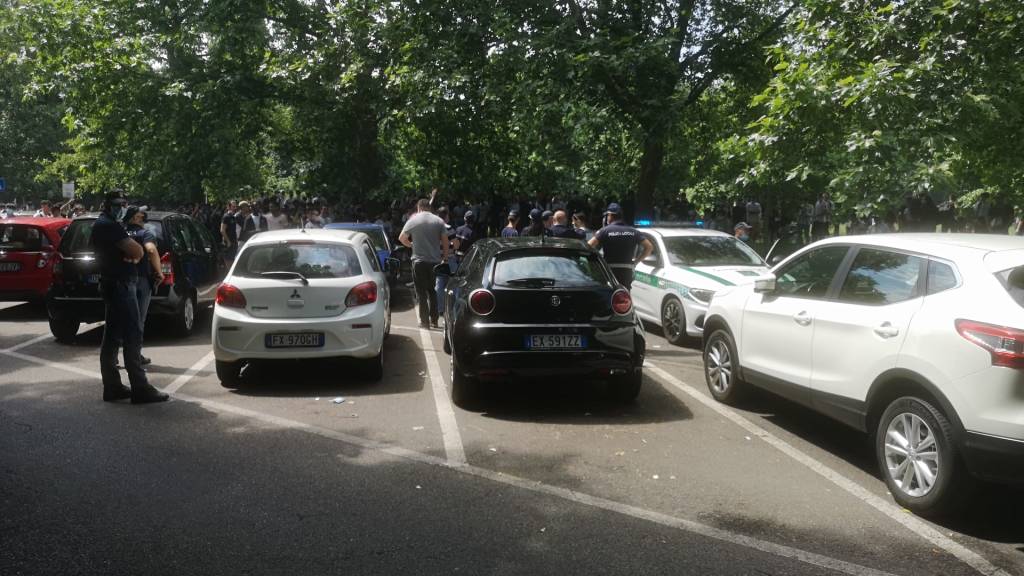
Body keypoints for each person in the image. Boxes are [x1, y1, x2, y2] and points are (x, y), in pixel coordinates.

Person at [90, 192, 168, 404]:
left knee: (113, 336)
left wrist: (135, 254)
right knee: (133, 333)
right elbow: (138, 250)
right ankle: (140, 387)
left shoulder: (105, 224)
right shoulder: (109, 225)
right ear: (107, 205)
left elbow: (135, 251)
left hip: (114, 282)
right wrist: (136, 254)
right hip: (120, 284)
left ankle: (113, 386)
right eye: (118, 204)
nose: (122, 207)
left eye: (124, 204)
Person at [399, 198, 449, 328]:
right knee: (432, 290)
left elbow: (402, 238)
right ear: (429, 208)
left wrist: (411, 245)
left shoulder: (413, 220)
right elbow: (445, 241)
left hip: (418, 261)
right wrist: (445, 258)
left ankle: (424, 322)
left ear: (419, 208)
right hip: (434, 262)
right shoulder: (439, 221)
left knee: (421, 292)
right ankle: (434, 319)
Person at [123, 206, 164, 366]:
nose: (143, 218)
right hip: (140, 280)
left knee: (121, 319)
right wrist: (159, 272)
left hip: (121, 279)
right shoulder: (144, 233)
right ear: (136, 218)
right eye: (141, 216)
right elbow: (152, 250)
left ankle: (120, 356)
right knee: (139, 319)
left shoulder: (120, 233)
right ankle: (134, 356)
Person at [588, 202, 653, 289]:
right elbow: (649, 247)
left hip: (609, 271)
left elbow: (588, 246)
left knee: (610, 294)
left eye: (607, 215)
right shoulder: (633, 231)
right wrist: (636, 262)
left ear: (610, 215)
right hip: (626, 271)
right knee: (625, 296)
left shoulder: (604, 231)